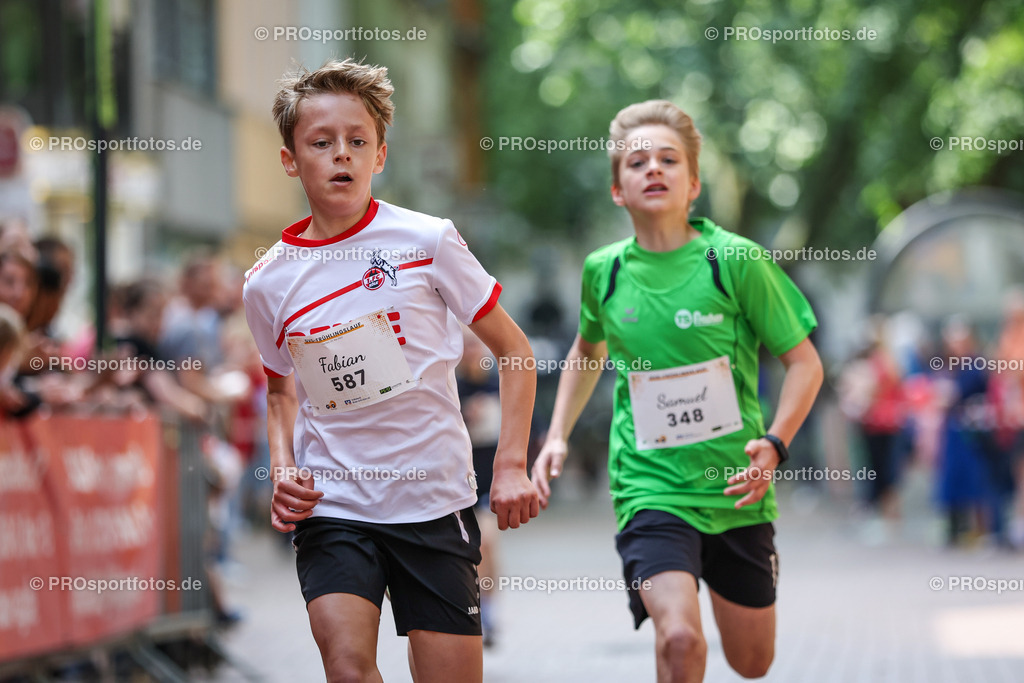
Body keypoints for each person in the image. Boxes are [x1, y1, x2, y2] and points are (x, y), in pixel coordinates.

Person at [243, 58, 538, 683]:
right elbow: (279, 391)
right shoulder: (268, 281)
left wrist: (510, 466)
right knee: (348, 668)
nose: (340, 155)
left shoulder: (428, 241)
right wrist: (283, 468)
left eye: (357, 142)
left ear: (380, 156)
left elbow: (516, 354)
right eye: (321, 143)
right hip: (334, 504)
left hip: (433, 501)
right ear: (291, 160)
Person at [532, 100, 823, 682]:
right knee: (682, 639)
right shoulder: (604, 271)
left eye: (669, 159)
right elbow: (588, 350)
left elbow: (805, 364)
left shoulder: (734, 261)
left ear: (693, 184)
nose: (654, 169)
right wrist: (556, 435)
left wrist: (775, 442)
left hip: (736, 490)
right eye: (637, 162)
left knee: (751, 662)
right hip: (649, 487)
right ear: (618, 189)